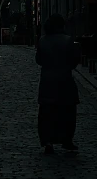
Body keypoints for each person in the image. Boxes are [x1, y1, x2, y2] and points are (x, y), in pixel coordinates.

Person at [36, 14, 80, 154]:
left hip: (47, 81)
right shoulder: (68, 41)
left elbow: (39, 60)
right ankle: (66, 139)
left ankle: (48, 141)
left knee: (47, 112)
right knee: (67, 111)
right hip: (64, 79)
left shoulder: (42, 40)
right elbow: (74, 60)